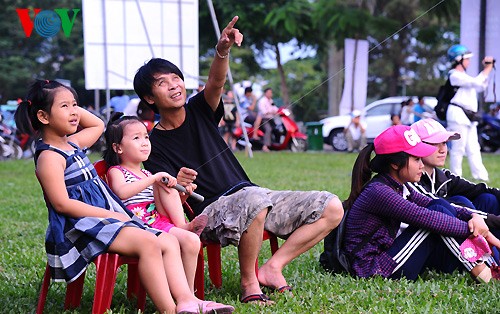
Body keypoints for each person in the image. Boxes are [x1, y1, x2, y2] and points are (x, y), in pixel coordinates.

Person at [133, 16, 344, 304]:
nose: (173, 86)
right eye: (162, 83)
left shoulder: (198, 109)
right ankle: (249, 283)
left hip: (252, 194)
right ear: (149, 97)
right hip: (212, 212)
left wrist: (222, 51)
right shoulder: (153, 144)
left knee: (331, 207)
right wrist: (180, 185)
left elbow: (216, 82)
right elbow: (166, 193)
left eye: (176, 78)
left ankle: (272, 268)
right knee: (255, 200)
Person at [14, 80, 234, 314]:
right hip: (79, 226)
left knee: (168, 240)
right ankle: (169, 310)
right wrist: (109, 213)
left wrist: (66, 101)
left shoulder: (73, 144)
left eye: (76, 105)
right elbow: (62, 204)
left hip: (104, 218)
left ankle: (187, 300)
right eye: (65, 107)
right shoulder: (50, 156)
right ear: (43, 116)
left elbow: (98, 124)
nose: (75, 113)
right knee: (149, 242)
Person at [343, 124, 500, 283]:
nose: (421, 165)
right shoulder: (379, 192)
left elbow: (435, 204)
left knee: (439, 206)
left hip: (390, 256)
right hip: (372, 269)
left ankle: (489, 265)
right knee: (435, 221)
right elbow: (427, 218)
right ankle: (486, 274)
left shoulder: (400, 186)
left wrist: (472, 216)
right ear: (395, 164)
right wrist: (479, 232)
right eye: (416, 159)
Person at [102, 113, 209, 291]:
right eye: (136, 138)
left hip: (158, 219)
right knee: (161, 181)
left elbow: (161, 203)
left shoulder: (147, 174)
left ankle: (188, 293)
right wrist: (155, 179)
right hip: (140, 225)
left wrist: (183, 195)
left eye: (146, 136)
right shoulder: (117, 171)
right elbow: (121, 192)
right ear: (118, 148)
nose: (144, 142)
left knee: (191, 240)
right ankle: (183, 228)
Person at [409, 118, 500, 216]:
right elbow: (441, 205)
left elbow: (478, 189)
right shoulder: (410, 179)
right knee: (457, 202)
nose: (442, 150)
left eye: (444, 143)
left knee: (488, 199)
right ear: (417, 146)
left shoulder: (444, 177)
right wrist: (490, 220)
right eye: (434, 143)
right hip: (429, 227)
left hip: (457, 223)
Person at [445, 44, 494, 182]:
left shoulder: (464, 77)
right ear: (458, 59)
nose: (469, 61)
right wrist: (487, 69)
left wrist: (486, 71)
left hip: (469, 116)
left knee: (474, 147)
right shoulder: (454, 75)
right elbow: (477, 82)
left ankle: (481, 176)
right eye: (466, 58)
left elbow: (480, 85)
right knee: (458, 149)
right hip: (457, 115)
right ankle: (455, 178)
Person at [257, 87, 278, 152]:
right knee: (268, 129)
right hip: (264, 119)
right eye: (269, 92)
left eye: (271, 93)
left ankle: (275, 144)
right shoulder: (262, 101)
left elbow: (275, 109)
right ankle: (265, 146)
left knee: (278, 128)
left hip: (271, 119)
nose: (270, 94)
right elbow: (264, 112)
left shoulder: (271, 101)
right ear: (265, 93)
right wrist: (271, 112)